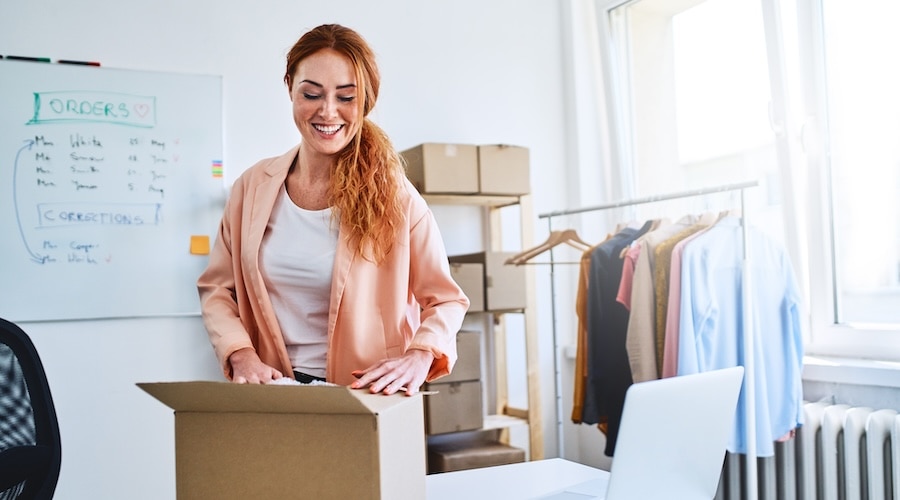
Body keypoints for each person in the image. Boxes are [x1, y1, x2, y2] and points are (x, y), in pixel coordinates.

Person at [197, 24, 469, 396]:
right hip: (274, 394)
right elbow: (217, 288)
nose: (327, 112)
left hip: (368, 396)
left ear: (365, 101)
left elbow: (447, 299)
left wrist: (421, 354)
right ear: (290, 86)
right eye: (312, 93)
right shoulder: (251, 188)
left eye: (346, 97)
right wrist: (239, 351)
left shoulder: (397, 198)